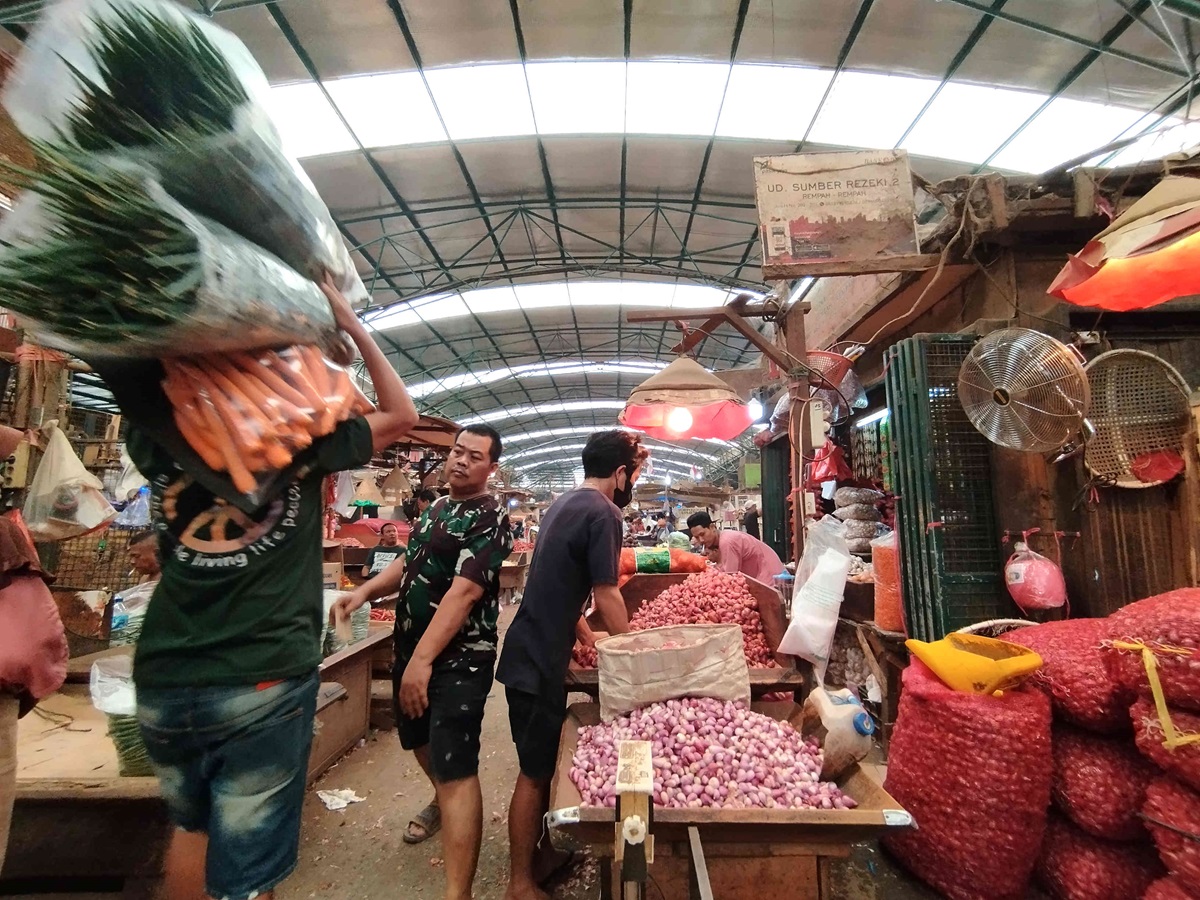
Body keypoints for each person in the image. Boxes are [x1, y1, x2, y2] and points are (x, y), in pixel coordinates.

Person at [129, 276, 419, 900]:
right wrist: (349, 323)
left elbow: (143, 376)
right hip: (260, 676)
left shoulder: (158, 436)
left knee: (193, 829)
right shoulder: (295, 446)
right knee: (247, 876)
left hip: (163, 678)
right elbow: (402, 414)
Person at [333, 425, 510, 900]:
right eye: (457, 451)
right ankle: (445, 800)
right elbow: (408, 563)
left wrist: (423, 662)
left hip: (460, 659)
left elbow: (465, 591)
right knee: (417, 740)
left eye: (475, 456)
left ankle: (458, 892)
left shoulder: (491, 516)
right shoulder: (435, 509)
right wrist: (365, 592)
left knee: (455, 765)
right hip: (412, 650)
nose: (460, 461)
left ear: (491, 468)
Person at [497, 430, 648, 900]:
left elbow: (560, 585)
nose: (632, 483)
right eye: (634, 474)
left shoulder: (564, 503)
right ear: (620, 473)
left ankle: (542, 857)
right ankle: (520, 883)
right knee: (534, 770)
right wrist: (632, 649)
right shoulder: (606, 512)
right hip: (539, 659)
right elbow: (605, 593)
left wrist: (585, 636)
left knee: (539, 762)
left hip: (529, 647)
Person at [687, 510, 785, 583]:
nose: (701, 540)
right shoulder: (723, 539)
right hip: (766, 580)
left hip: (772, 581)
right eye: (697, 537)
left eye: (702, 534)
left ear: (712, 527)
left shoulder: (727, 541)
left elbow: (730, 578)